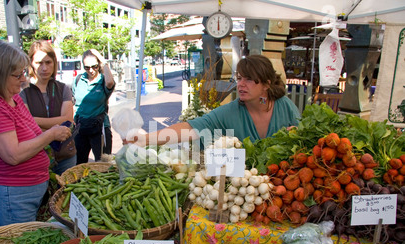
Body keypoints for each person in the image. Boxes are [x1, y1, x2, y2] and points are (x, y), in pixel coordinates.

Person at [0, 40, 72, 227]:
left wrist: (53, 134)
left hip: (25, 192)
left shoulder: (12, 97)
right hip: (11, 196)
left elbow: (33, 130)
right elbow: (13, 155)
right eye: (17, 75)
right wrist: (51, 135)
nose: (23, 79)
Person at [127, 55, 301, 148]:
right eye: (239, 78)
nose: (240, 84)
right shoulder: (231, 112)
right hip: (243, 190)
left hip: (284, 189)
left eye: (248, 79)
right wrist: (145, 139)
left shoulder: (285, 107)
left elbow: (305, 138)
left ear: (266, 84)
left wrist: (298, 134)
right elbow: (191, 128)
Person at [20, 40, 76, 175]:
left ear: (54, 63)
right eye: (39, 63)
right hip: (38, 155)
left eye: (48, 62)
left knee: (66, 192)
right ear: (31, 64)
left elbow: (68, 120)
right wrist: (56, 128)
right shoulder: (23, 91)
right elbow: (25, 126)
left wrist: (32, 119)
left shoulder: (63, 88)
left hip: (66, 153)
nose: (44, 68)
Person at [72, 49, 115, 164]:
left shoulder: (103, 80)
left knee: (103, 164)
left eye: (94, 66)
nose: (91, 70)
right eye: (87, 67)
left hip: (99, 128)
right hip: (81, 127)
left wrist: (103, 61)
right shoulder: (78, 80)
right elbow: (73, 102)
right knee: (79, 163)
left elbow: (110, 83)